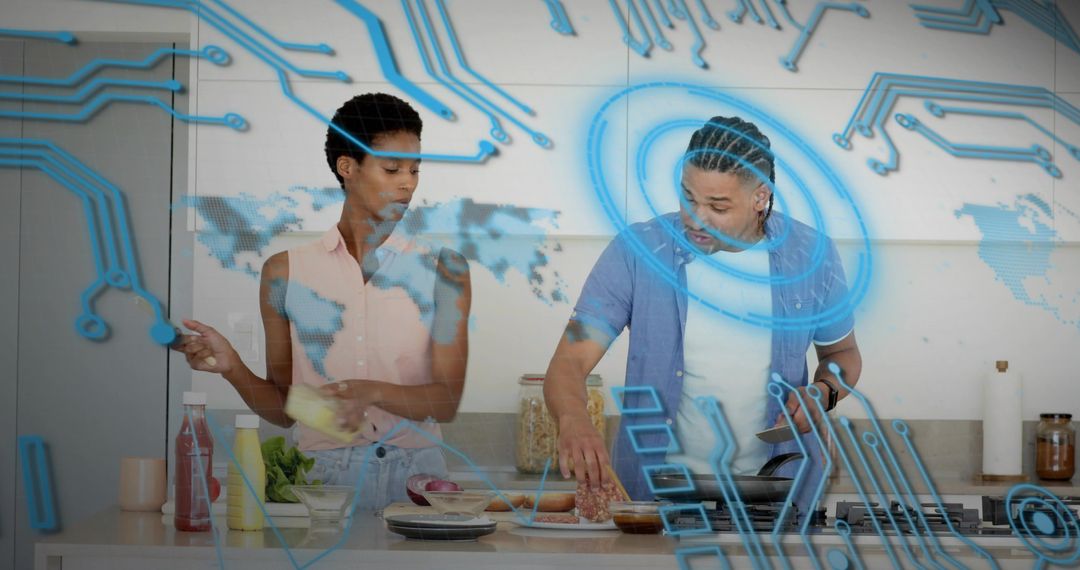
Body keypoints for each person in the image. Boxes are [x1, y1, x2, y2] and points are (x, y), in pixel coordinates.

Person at [543, 115, 862, 514]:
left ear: (760, 197)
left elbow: (842, 355)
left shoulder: (811, 255)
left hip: (777, 495)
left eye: (718, 206)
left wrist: (823, 393)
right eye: (688, 198)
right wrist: (572, 418)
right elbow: (569, 363)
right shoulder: (639, 251)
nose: (696, 217)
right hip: (655, 498)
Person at [176, 93, 471, 510]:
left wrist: (365, 391)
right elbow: (285, 410)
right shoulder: (284, 273)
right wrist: (232, 368)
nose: (408, 183)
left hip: (417, 483)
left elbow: (445, 402)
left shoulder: (445, 270)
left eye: (414, 169)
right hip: (323, 484)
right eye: (391, 168)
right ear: (347, 168)